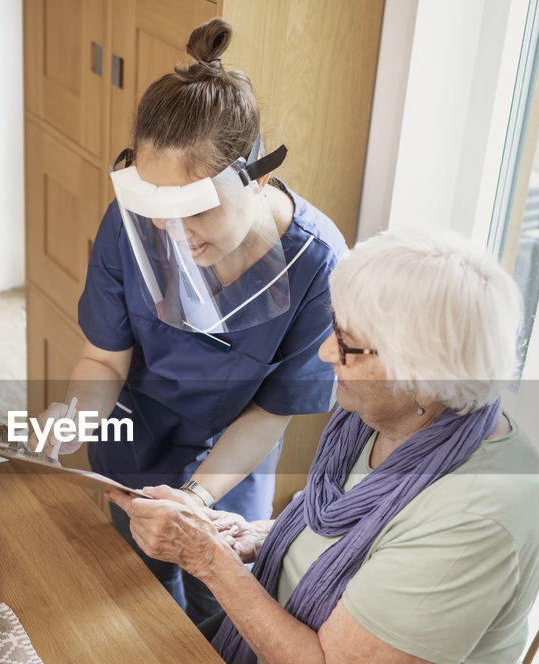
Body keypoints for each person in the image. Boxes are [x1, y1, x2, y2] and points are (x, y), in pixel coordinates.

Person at [106, 229, 539, 664]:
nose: (324, 355)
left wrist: (206, 560)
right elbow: (351, 535)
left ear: (422, 376)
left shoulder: (483, 513)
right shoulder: (393, 417)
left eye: (347, 347)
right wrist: (257, 536)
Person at [36, 18, 344, 623]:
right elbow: (103, 359)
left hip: (232, 457)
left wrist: (196, 497)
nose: (173, 235)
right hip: (134, 437)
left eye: (193, 210)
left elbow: (272, 409)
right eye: (155, 211)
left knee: (225, 612)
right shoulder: (128, 226)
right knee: (136, 605)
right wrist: (69, 420)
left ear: (255, 178)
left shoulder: (319, 265)